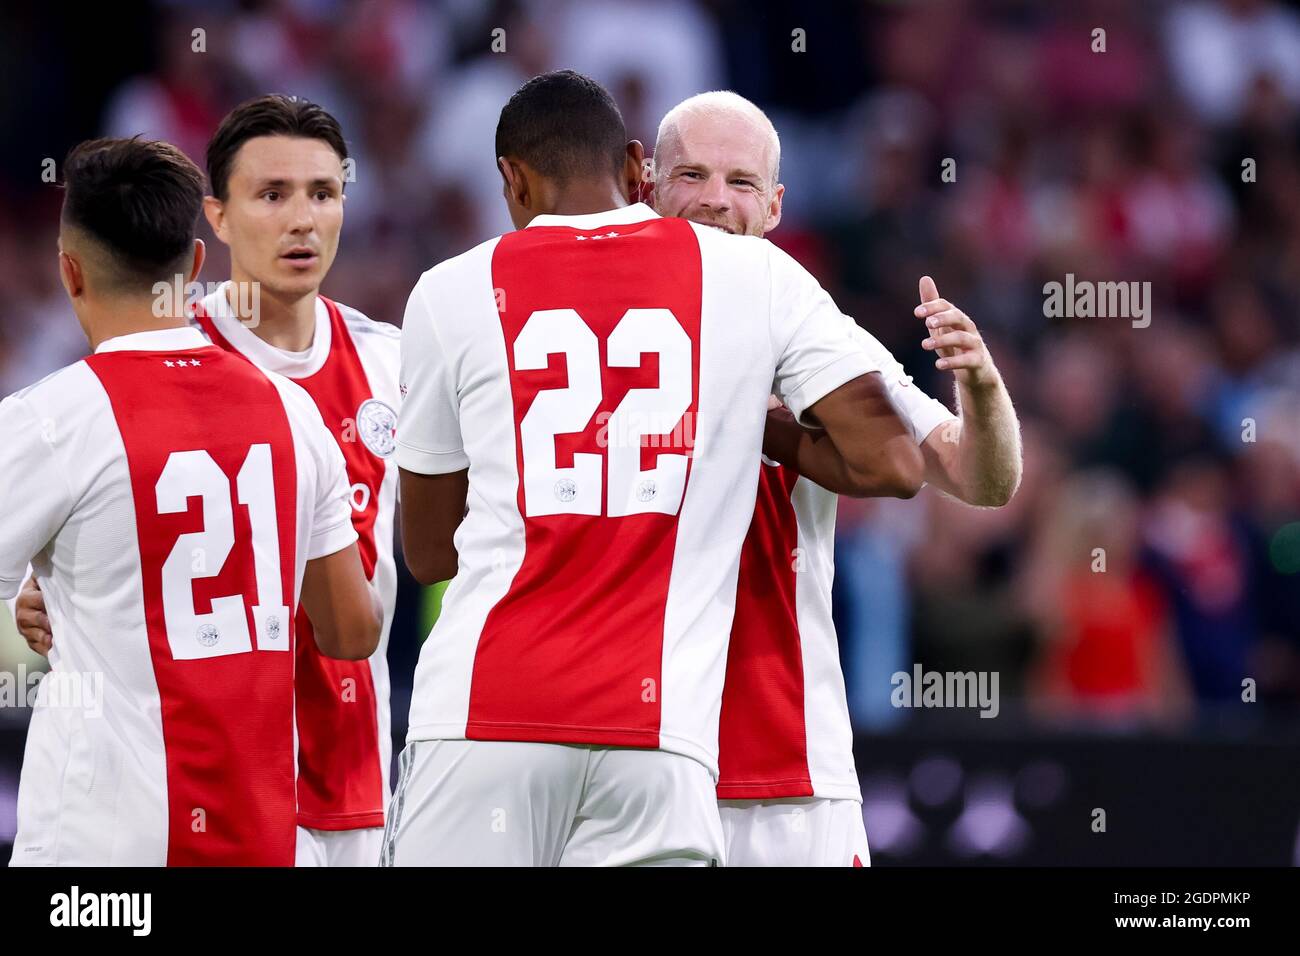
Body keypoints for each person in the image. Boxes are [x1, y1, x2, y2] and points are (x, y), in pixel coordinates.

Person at [386, 70, 923, 867]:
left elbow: (428, 552)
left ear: (511, 177)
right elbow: (894, 462)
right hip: (660, 739)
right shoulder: (750, 275)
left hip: (481, 716)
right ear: (639, 167)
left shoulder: (451, 289)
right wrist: (752, 429)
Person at [14, 95, 403, 867]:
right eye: (272, 194)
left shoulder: (394, 359)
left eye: (323, 194)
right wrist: (45, 582)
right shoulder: (153, 357)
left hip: (350, 780)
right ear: (214, 223)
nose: (302, 220)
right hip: (208, 782)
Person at [650, 90, 1023, 865]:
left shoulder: (806, 325)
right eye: (692, 174)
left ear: (777, 205)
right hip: (630, 760)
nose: (716, 200)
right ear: (647, 183)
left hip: (788, 774)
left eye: (741, 182)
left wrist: (981, 388)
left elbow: (981, 480)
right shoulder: (585, 326)